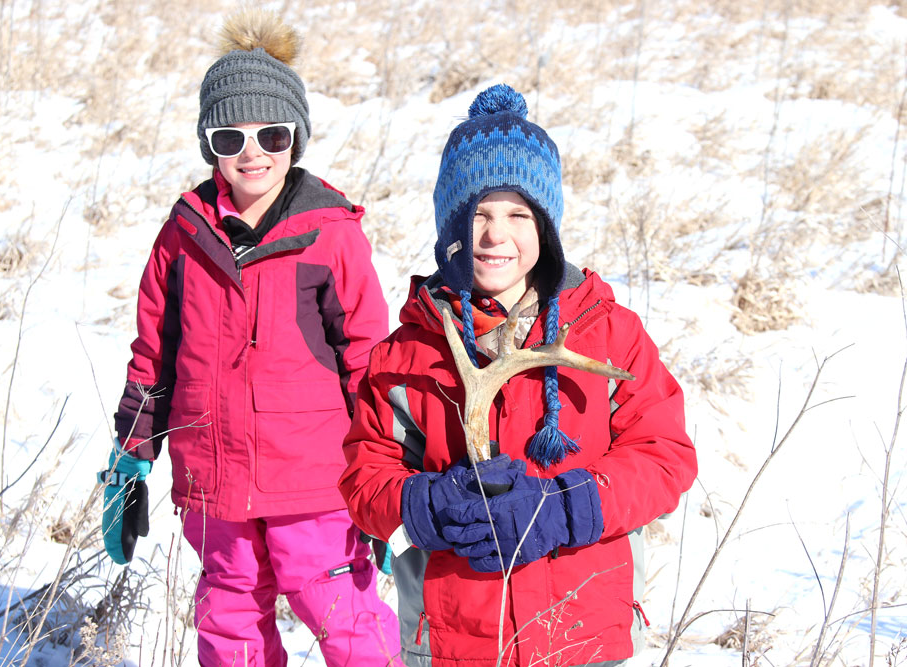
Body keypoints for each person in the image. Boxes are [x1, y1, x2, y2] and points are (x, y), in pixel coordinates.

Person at [338, 83, 698, 667]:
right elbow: (363, 476)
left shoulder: (607, 332)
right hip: (451, 638)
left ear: (546, 226)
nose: (495, 235)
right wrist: (423, 503)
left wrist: (561, 506)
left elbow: (663, 457)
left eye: (517, 214)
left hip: (578, 635)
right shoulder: (407, 352)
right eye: (477, 214)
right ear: (451, 224)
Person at [98, 9, 402, 666]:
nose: (252, 152)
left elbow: (367, 361)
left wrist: (381, 470)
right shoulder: (182, 237)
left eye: (272, 133)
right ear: (209, 144)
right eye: (229, 137)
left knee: (339, 607)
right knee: (229, 611)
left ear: (297, 137)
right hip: (213, 476)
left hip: (316, 481)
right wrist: (129, 460)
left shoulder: (330, 233)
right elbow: (154, 351)